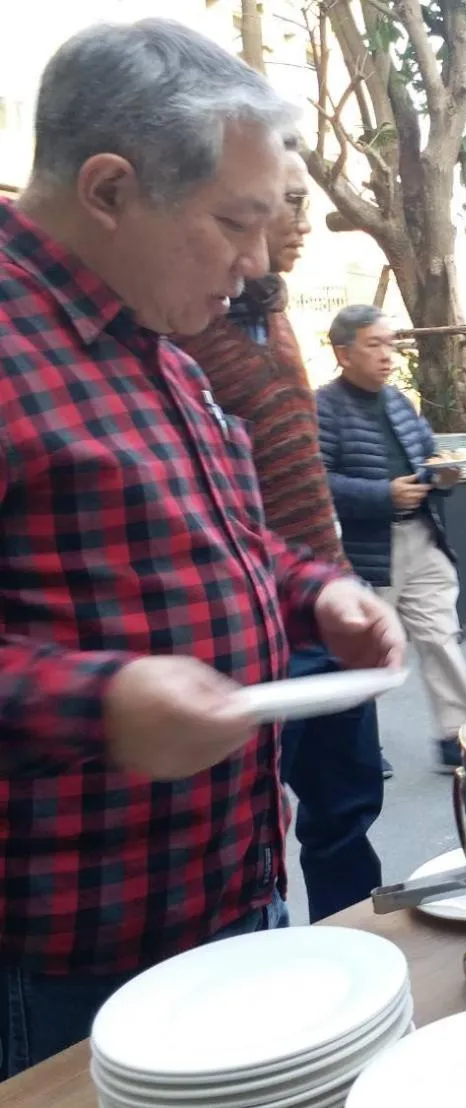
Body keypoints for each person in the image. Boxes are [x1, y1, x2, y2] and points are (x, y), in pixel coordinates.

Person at [0, 20, 403, 1076]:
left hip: (233, 889)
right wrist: (104, 702)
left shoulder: (161, 345)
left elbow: (227, 538)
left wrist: (317, 592)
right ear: (108, 190)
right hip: (60, 960)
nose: (258, 262)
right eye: (237, 221)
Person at [174, 150, 388, 923]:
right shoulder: (177, 323)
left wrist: (334, 584)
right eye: (277, 203)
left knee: (344, 810)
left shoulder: (271, 312)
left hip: (319, 597)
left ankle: (348, 945)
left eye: (299, 201)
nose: (297, 223)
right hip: (248, 622)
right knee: (255, 829)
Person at [317, 305, 466, 773]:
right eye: (375, 345)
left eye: (391, 344)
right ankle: (361, 746)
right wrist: (382, 495)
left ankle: (457, 737)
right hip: (367, 552)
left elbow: (430, 455)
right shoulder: (322, 406)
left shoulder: (398, 402)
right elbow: (315, 480)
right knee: (367, 652)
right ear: (343, 353)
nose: (388, 356)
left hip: (422, 538)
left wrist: (445, 473)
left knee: (442, 637)